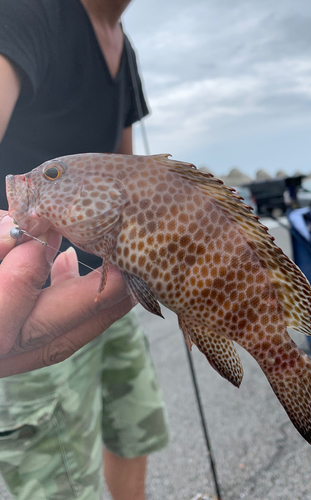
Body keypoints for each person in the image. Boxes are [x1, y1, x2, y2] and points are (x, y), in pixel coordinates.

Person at [0, 1, 169, 499]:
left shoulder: (126, 49)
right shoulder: (28, 11)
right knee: (61, 486)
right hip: (30, 296)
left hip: (114, 284)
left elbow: (127, 174)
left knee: (134, 430)